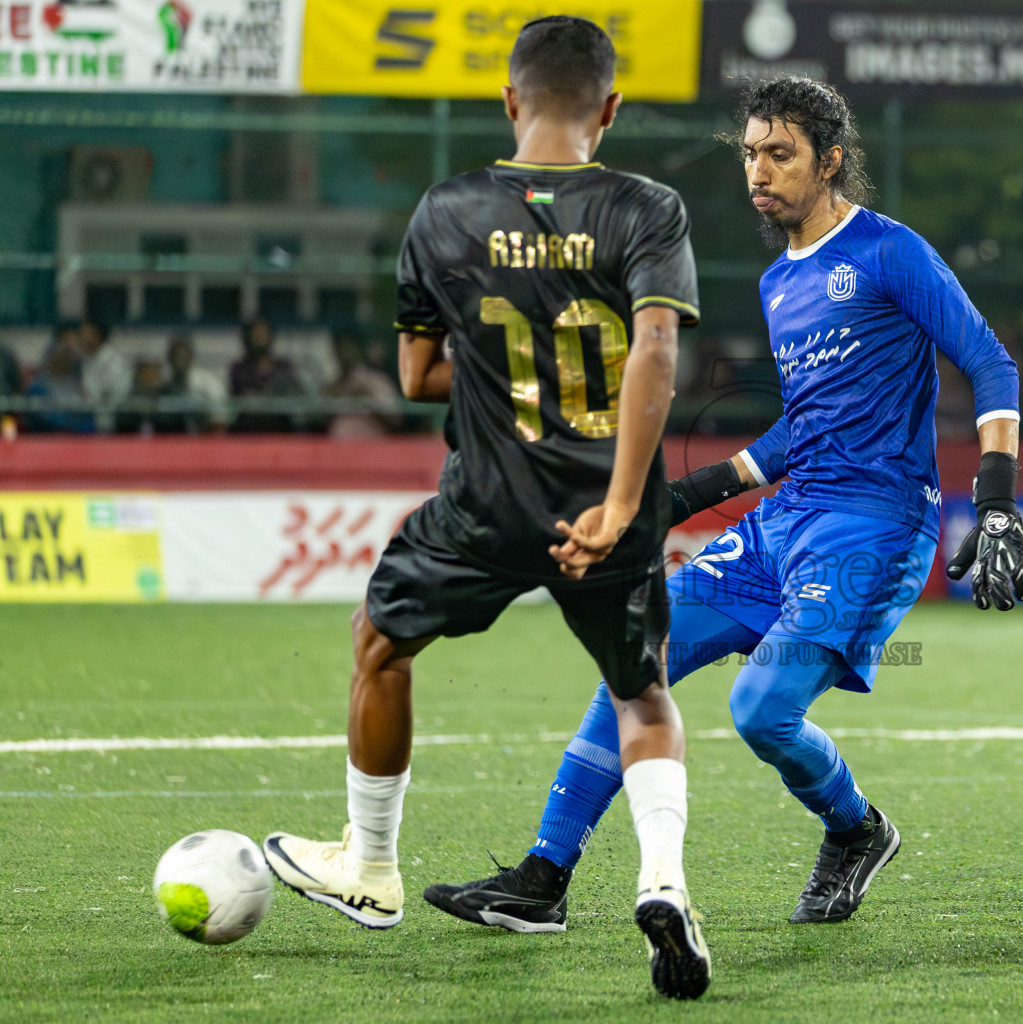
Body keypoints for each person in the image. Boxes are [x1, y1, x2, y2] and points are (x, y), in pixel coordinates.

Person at [424, 76, 1023, 934]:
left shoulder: (890, 251)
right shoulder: (777, 283)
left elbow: (991, 361)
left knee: (761, 709)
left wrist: (999, 499)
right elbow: (804, 427)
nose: (758, 169)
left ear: (830, 162)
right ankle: (543, 880)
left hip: (874, 525)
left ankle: (856, 831)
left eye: (779, 153)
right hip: (784, 522)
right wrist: (681, 498)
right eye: (750, 152)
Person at [261, 16, 711, 1000]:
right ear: (611, 109)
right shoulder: (651, 209)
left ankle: (370, 868)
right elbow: (656, 354)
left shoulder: (446, 210)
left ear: (510, 101)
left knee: (380, 643)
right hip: (611, 510)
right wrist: (626, 498)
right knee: (643, 697)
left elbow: (419, 372)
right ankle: (664, 881)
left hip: (488, 505)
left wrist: (504, 371)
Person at [228, 317, 304, 432]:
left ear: (271, 337)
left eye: (263, 334)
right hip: (248, 431)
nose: (260, 338)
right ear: (248, 338)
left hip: (281, 431)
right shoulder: (239, 369)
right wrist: (273, 395)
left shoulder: (283, 367)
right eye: (256, 335)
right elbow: (246, 401)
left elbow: (296, 398)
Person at [326, 332, 401, 438]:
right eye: (339, 348)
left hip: (372, 445)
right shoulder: (332, 384)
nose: (343, 353)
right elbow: (319, 420)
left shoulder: (378, 380)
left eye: (348, 347)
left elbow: (395, 419)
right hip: (338, 446)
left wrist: (367, 399)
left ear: (358, 348)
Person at [159, 334, 230, 434]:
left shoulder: (208, 383)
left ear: (191, 357)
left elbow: (221, 417)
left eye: (183, 356)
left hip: (207, 436)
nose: (179, 361)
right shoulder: (166, 387)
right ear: (169, 359)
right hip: (177, 438)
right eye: (175, 357)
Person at [78, 320, 131, 432]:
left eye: (84, 334)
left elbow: (119, 395)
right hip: (89, 421)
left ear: (96, 335)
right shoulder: (87, 358)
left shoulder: (113, 362)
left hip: (109, 424)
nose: (80, 338)